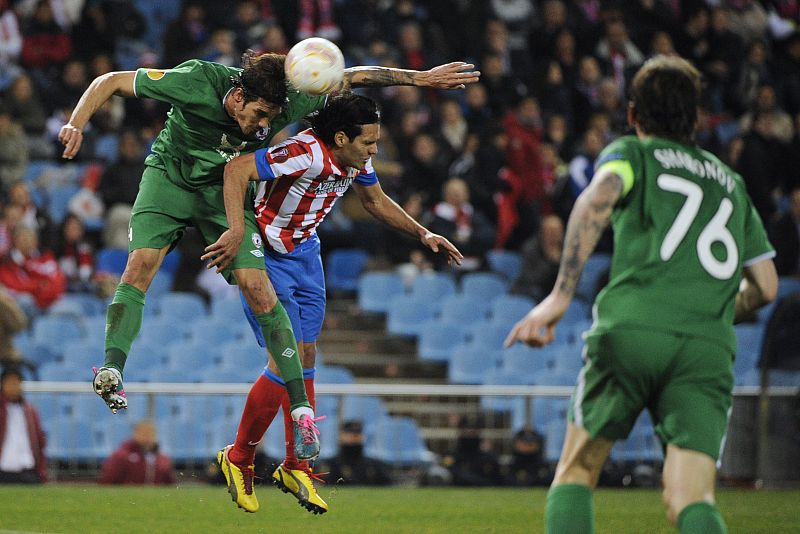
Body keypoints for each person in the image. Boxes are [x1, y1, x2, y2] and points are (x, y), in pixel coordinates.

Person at [57, 48, 478, 464]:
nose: (263, 127)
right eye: (259, 115)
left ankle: (300, 410)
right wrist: (77, 123)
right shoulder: (195, 80)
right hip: (170, 177)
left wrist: (419, 79)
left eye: (271, 118)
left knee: (260, 289)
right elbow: (109, 80)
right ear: (237, 97)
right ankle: (111, 368)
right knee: (141, 265)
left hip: (221, 192)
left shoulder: (289, 98)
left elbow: (350, 75)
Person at [505, 56, 778, 534]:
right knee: (691, 497)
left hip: (633, 328)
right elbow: (767, 285)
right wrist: (708, 312)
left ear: (632, 115)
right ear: (695, 118)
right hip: (706, 346)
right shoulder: (731, 184)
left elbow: (597, 198)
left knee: (577, 471)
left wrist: (560, 296)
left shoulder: (633, 153)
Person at [206, 92, 463, 514]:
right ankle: (238, 457)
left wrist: (423, 233)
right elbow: (237, 169)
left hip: (306, 255)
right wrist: (236, 231)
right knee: (283, 357)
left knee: (307, 357)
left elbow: (375, 201)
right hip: (267, 255)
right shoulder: (305, 151)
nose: (375, 151)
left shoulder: (355, 160)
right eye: (369, 143)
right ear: (341, 137)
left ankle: (295, 465)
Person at [0, 366, 47, 483]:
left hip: (27, 470)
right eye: (9, 383)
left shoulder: (30, 411)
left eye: (16, 383)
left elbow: (39, 441)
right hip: (3, 469)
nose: (13, 387)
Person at [98, 419, 176, 485]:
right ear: (135, 434)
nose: (148, 436)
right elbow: (108, 480)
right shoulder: (121, 456)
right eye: (144, 432)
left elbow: (170, 484)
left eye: (151, 433)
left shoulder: (163, 460)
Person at [327, 420, 391, 486]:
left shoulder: (374, 465)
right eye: (349, 432)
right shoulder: (331, 465)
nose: (354, 436)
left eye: (357, 433)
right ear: (340, 436)